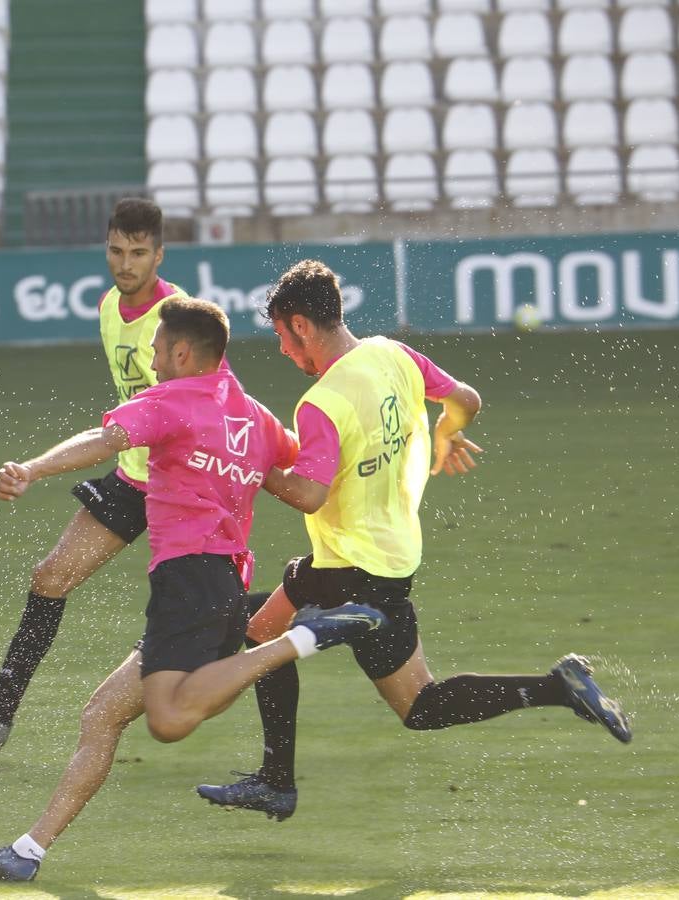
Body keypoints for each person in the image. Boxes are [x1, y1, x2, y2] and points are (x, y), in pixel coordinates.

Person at [0, 299, 389, 882]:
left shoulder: (170, 401)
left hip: (188, 585)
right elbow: (305, 473)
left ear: (183, 352)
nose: (152, 360)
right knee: (102, 716)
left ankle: (303, 639)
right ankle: (26, 854)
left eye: (158, 349)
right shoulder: (254, 416)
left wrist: (32, 468)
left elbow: (105, 439)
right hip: (224, 591)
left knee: (167, 720)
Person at [194, 259, 633, 823]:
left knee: (261, 631)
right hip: (391, 564)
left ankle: (277, 782)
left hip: (344, 567)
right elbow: (467, 399)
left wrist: (249, 465)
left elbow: (308, 494)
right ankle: (559, 687)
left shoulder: (322, 402)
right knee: (420, 705)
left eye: (281, 336)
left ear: (301, 325)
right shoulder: (393, 354)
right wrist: (446, 435)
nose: (283, 350)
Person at [0, 198, 269, 752]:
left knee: (207, 611)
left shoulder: (180, 317)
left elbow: (222, 394)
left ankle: (264, 630)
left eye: (139, 253)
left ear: (160, 254)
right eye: (117, 250)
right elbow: (128, 415)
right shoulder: (110, 306)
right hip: (136, 477)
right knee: (50, 578)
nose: (126, 263)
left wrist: (35, 467)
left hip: (186, 487)